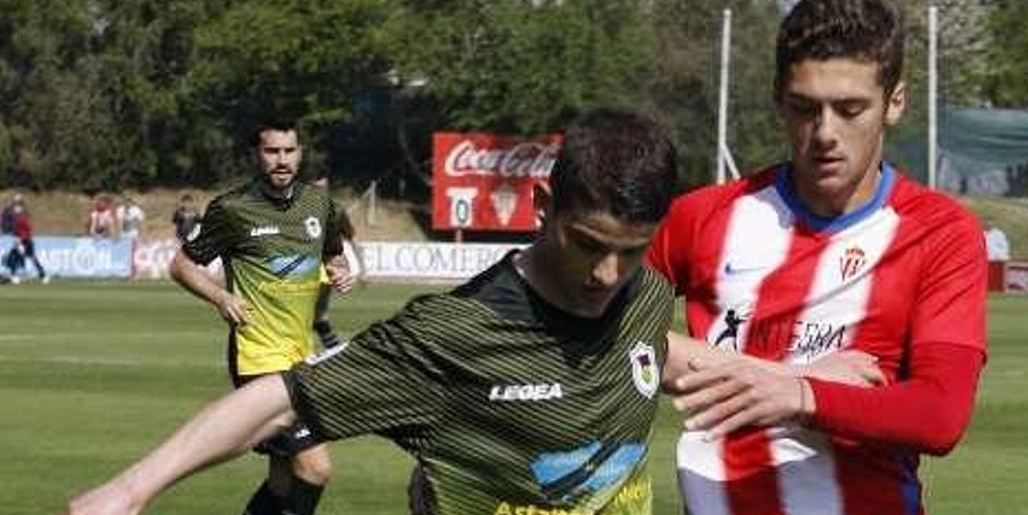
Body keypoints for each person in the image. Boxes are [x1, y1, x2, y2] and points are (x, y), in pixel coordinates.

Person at [67, 109, 685, 515]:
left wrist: (779, 388)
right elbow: (280, 399)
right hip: (268, 350)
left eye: (629, 251)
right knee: (305, 468)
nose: (607, 273)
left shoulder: (648, 293)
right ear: (545, 207)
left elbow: (657, 349)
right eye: (589, 244)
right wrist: (128, 490)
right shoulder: (451, 335)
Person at [648, 0, 988, 514]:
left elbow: (940, 414)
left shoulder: (941, 233)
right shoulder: (703, 216)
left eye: (850, 109)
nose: (825, 133)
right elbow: (603, 330)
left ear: (895, 102)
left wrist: (800, 396)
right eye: (805, 109)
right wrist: (781, 376)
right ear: (779, 101)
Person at [161, 117, 355, 515]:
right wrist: (219, 297)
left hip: (301, 356)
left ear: (300, 154)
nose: (281, 160)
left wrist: (338, 270)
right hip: (258, 357)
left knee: (282, 480)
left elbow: (332, 252)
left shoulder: (319, 204)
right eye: (271, 151)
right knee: (316, 468)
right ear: (256, 156)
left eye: (288, 151)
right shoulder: (233, 209)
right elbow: (181, 265)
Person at [308, 166, 357, 350]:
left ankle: (333, 353)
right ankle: (334, 353)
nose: (318, 193)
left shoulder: (337, 210)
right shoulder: (295, 210)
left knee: (317, 315)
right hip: (301, 266)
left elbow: (352, 238)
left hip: (325, 267)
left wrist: (362, 267)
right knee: (316, 317)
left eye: (322, 189)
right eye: (315, 189)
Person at [4, 196, 49, 284]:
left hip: (26, 241)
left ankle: (43, 275)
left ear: (21, 207)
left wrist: (21, 240)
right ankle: (14, 276)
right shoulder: (16, 218)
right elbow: (16, 231)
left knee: (31, 258)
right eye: (14, 206)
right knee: (14, 256)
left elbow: (28, 230)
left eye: (17, 206)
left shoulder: (23, 218)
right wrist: (15, 235)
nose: (15, 208)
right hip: (21, 241)